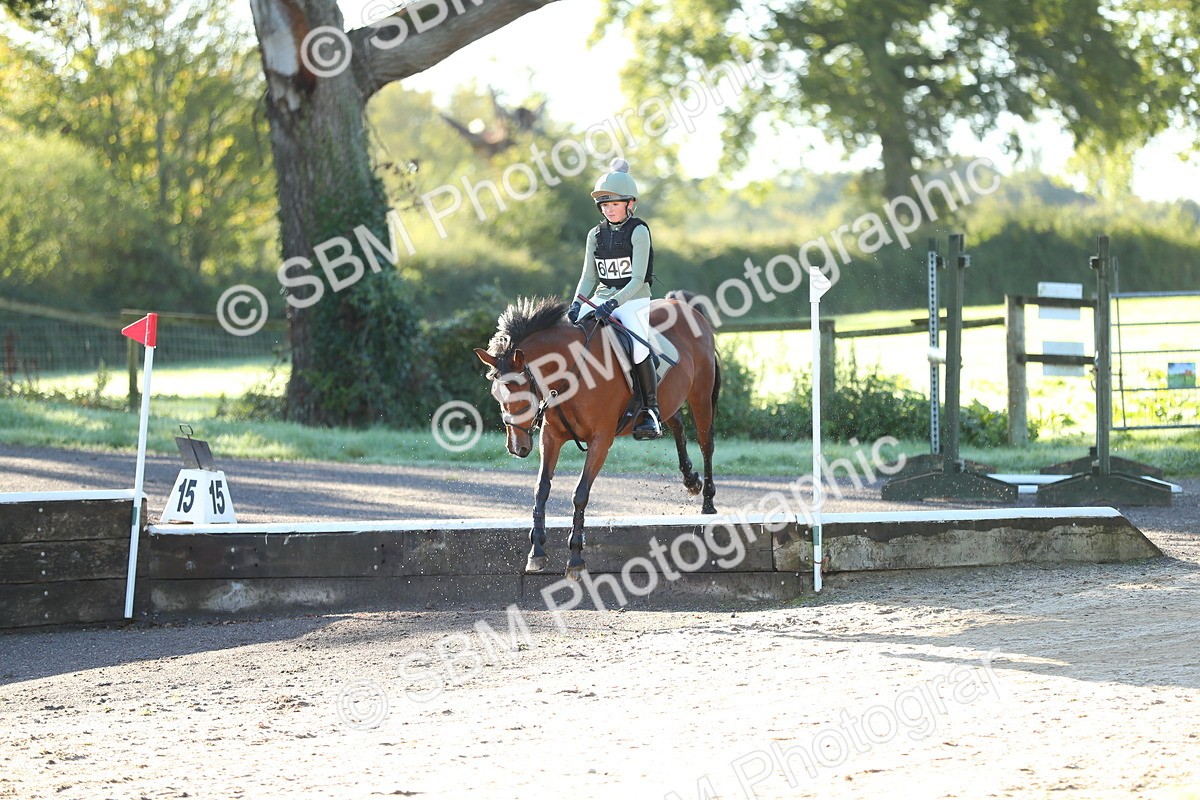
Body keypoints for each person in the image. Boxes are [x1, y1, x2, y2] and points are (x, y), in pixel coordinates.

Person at [567, 158, 661, 440]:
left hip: (632, 300)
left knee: (638, 348)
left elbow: (636, 279)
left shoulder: (640, 231)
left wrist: (613, 303)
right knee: (565, 333)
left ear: (630, 204)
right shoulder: (595, 234)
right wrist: (576, 302)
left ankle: (650, 412)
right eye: (605, 205)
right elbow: (588, 277)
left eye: (615, 204)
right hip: (600, 297)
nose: (609, 209)